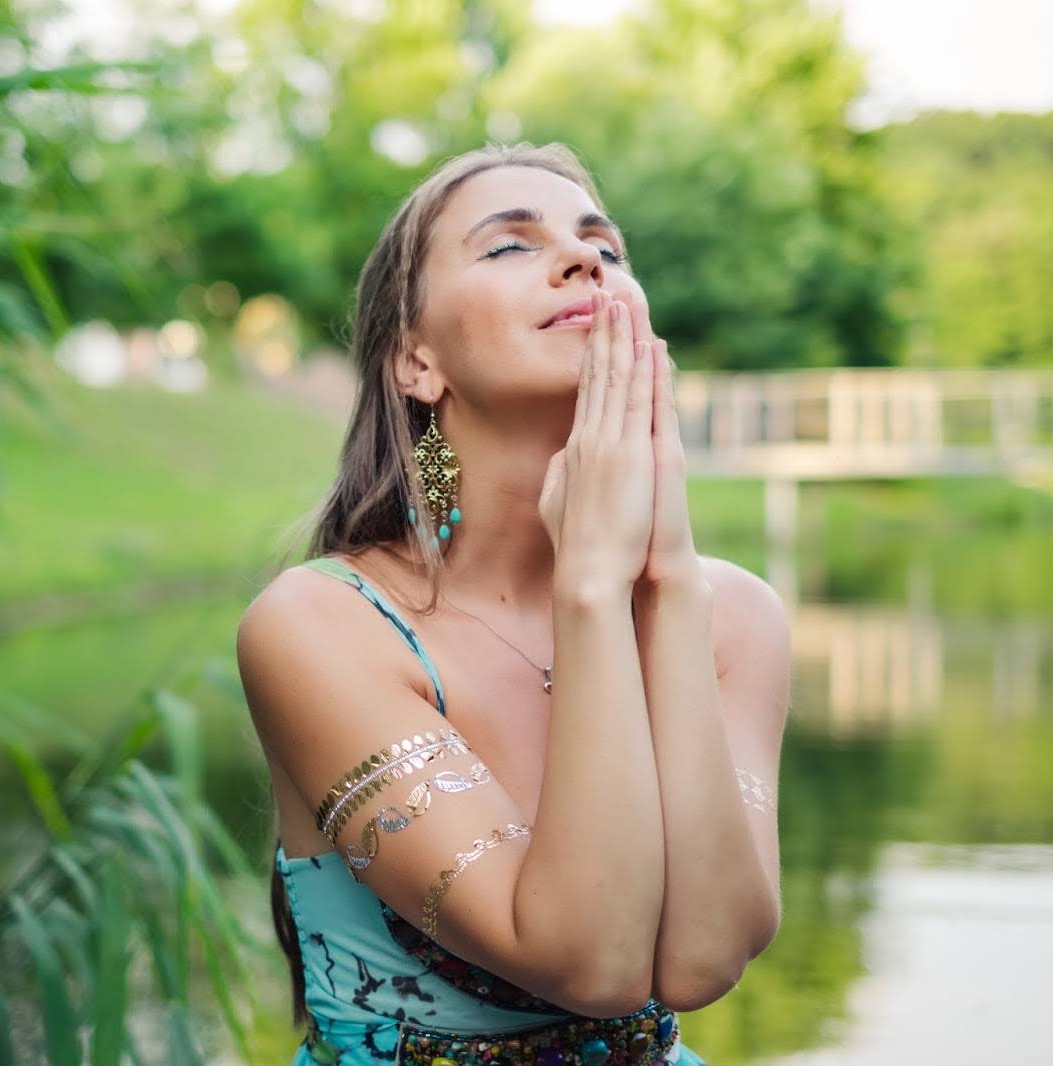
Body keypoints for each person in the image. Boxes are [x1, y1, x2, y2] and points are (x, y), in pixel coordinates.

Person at [235, 141, 791, 1065]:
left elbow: (703, 960)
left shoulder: (733, 615)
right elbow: (593, 963)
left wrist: (668, 581)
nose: (586, 261)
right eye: (509, 247)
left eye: (605, 248)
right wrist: (590, 588)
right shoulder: (321, 625)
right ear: (416, 361)